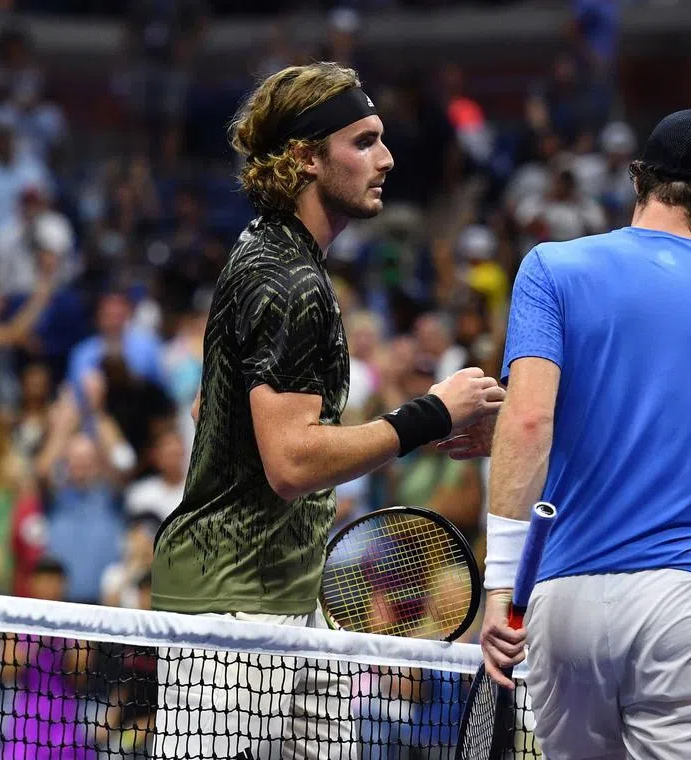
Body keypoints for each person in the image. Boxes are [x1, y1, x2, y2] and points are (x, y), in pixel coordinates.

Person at [149, 62, 503, 760]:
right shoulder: (291, 281)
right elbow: (290, 465)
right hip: (235, 608)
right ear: (307, 158)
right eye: (364, 142)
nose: (387, 158)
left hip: (290, 593)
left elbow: (209, 407)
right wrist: (430, 414)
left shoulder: (265, 250)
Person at [479, 108, 691, 760]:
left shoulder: (551, 268)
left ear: (637, 176)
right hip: (684, 604)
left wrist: (502, 585)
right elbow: (690, 427)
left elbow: (529, 421)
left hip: (562, 605)